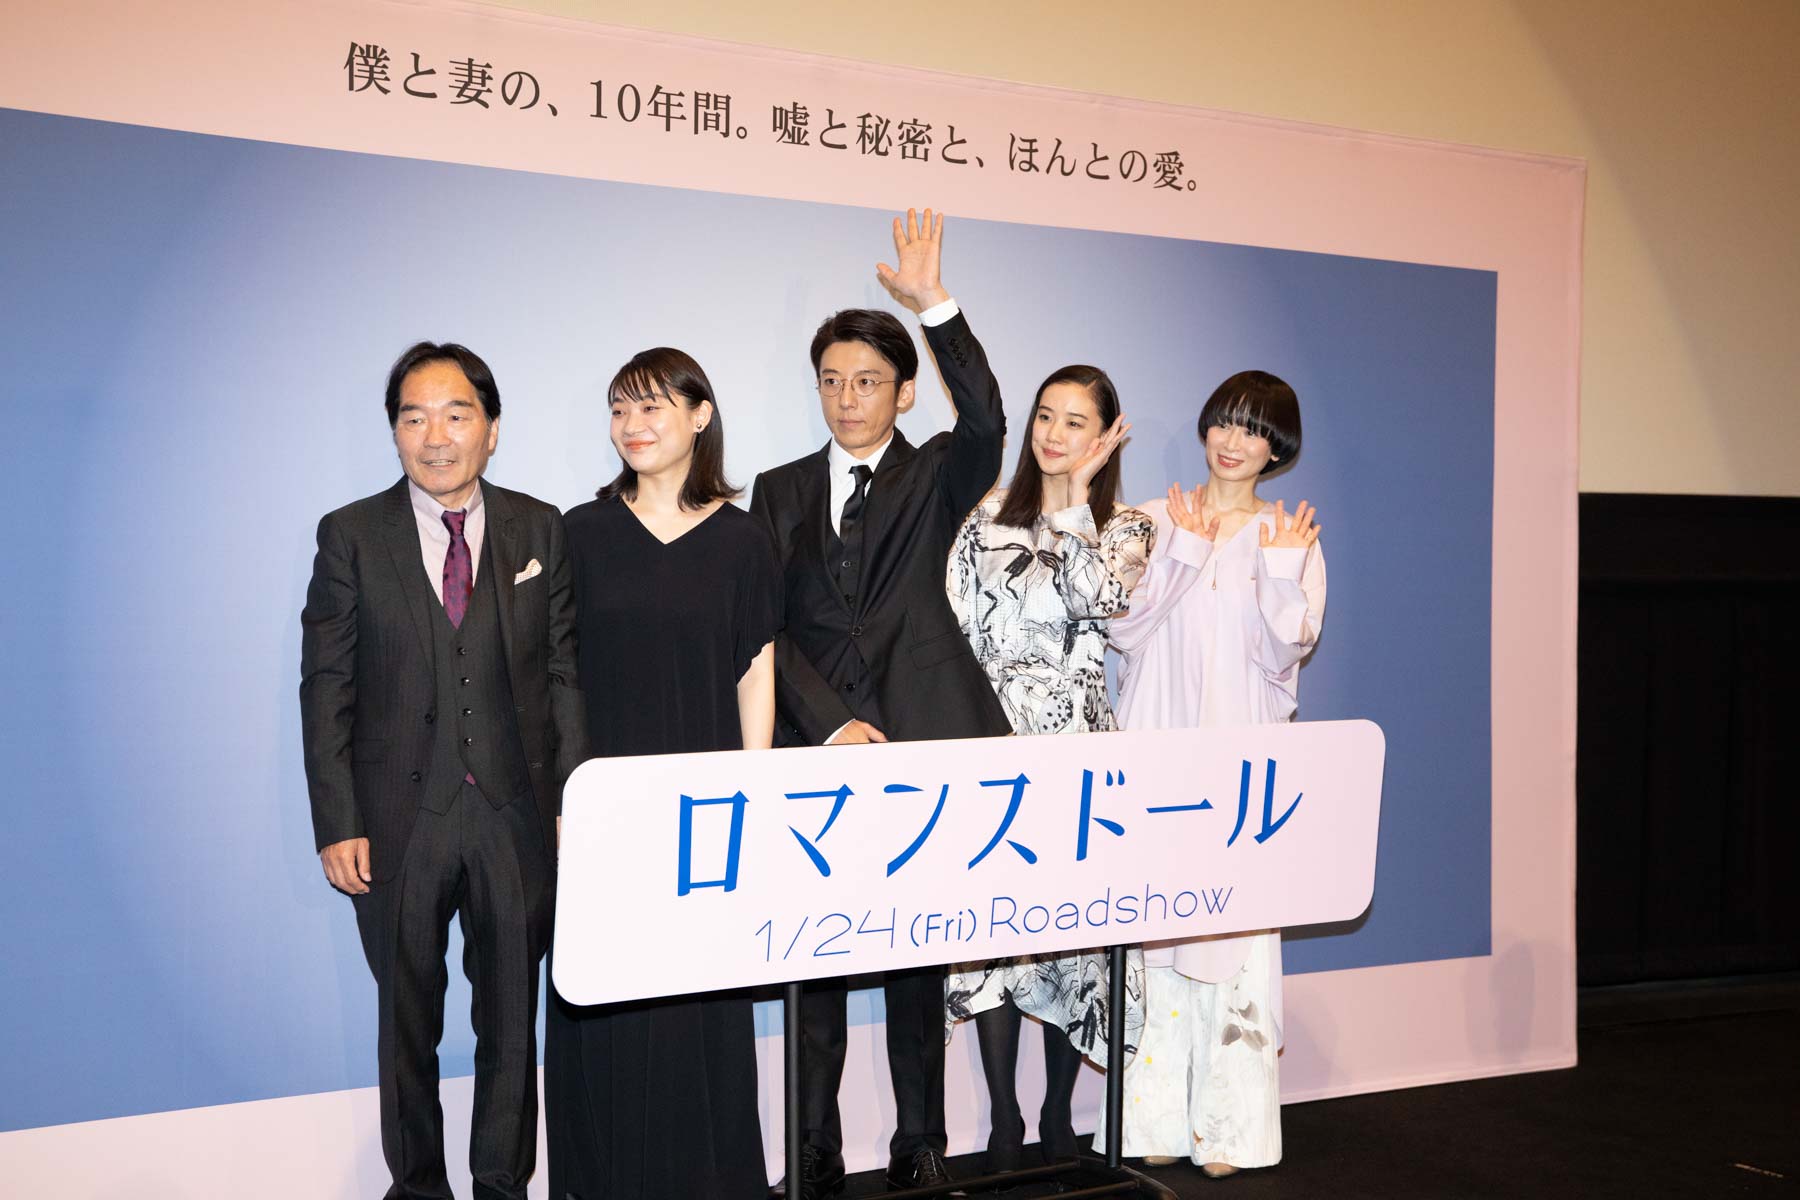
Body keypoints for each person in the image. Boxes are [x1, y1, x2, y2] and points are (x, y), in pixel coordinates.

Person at [749, 208, 1011, 1197]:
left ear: (903, 391)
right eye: (831, 380)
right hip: (816, 751)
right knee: (814, 963)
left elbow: (986, 420)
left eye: (866, 381)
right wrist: (825, 723)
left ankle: (919, 1142)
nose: (846, 398)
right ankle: (814, 1149)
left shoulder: (937, 473)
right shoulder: (776, 491)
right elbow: (763, 627)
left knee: (917, 962)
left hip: (924, 743)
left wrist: (935, 306)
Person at [300, 341, 588, 1200]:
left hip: (514, 814)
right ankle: (418, 1188)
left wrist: (572, 800)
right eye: (414, 418)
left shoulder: (540, 528)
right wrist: (338, 820)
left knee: (511, 1020)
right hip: (396, 820)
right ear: (395, 431)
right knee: (406, 1023)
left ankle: (502, 1183)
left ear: (490, 429)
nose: (435, 436)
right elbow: (327, 687)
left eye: (456, 415)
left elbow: (564, 673)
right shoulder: (351, 535)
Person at [548, 347, 779, 1199]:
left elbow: (755, 670)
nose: (632, 425)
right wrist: (564, 798)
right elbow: (555, 675)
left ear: (700, 415)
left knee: (698, 1000)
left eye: (651, 406)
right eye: (620, 409)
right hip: (604, 807)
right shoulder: (578, 533)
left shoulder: (742, 539)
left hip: (706, 810)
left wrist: (756, 794)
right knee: (607, 1000)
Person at [1097, 370, 1325, 1178]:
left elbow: (1284, 654)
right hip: (1154, 759)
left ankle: (1228, 1131)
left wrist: (1279, 570)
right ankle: (1150, 1119)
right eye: (1225, 422)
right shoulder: (1151, 519)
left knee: (1231, 940)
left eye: (1255, 430)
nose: (1234, 442)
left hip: (1239, 773)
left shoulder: (1291, 535)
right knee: (1155, 938)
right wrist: (1184, 553)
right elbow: (1122, 632)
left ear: (1277, 449)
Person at [942, 365, 1154, 1173]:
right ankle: (1004, 1123)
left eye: (1075, 422)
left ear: (1105, 437)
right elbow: (958, 630)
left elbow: (1099, 601)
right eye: (1045, 416)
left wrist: (1074, 505)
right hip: (993, 746)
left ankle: (1058, 1118)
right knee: (995, 936)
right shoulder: (986, 516)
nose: (1054, 434)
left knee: (1076, 936)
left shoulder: (1127, 527)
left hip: (1080, 753)